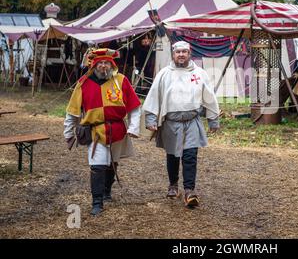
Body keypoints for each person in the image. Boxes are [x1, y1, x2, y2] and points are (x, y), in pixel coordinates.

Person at [63, 48, 141, 216]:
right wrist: (68, 133)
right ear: (94, 65)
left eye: (107, 62)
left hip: (117, 129)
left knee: (112, 163)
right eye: (100, 63)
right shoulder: (83, 83)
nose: (104, 66)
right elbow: (73, 111)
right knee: (97, 166)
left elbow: (134, 106)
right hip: (95, 131)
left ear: (111, 64)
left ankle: (106, 190)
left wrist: (134, 127)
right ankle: (97, 202)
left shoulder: (121, 80)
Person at [142, 40, 220, 208]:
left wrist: (213, 118)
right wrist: (150, 118)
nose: (181, 55)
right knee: (173, 155)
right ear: (173, 54)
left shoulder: (199, 73)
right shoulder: (164, 73)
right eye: (178, 52)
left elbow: (209, 96)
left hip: (192, 121)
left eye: (184, 52)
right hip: (171, 123)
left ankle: (189, 190)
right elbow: (154, 96)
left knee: (190, 155)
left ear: (189, 53)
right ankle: (173, 184)